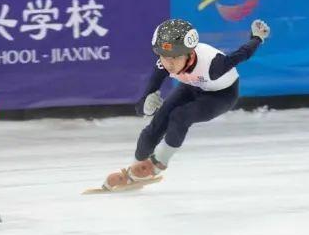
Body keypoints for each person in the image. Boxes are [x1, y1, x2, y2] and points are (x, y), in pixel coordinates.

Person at [101, 17, 270, 191]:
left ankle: (158, 163)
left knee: (180, 116)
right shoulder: (163, 65)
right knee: (155, 125)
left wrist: (257, 37)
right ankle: (134, 171)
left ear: (190, 54)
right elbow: (140, 107)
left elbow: (242, 54)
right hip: (192, 86)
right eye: (163, 56)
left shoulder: (213, 65)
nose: (169, 63)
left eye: (175, 57)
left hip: (222, 95)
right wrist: (146, 106)